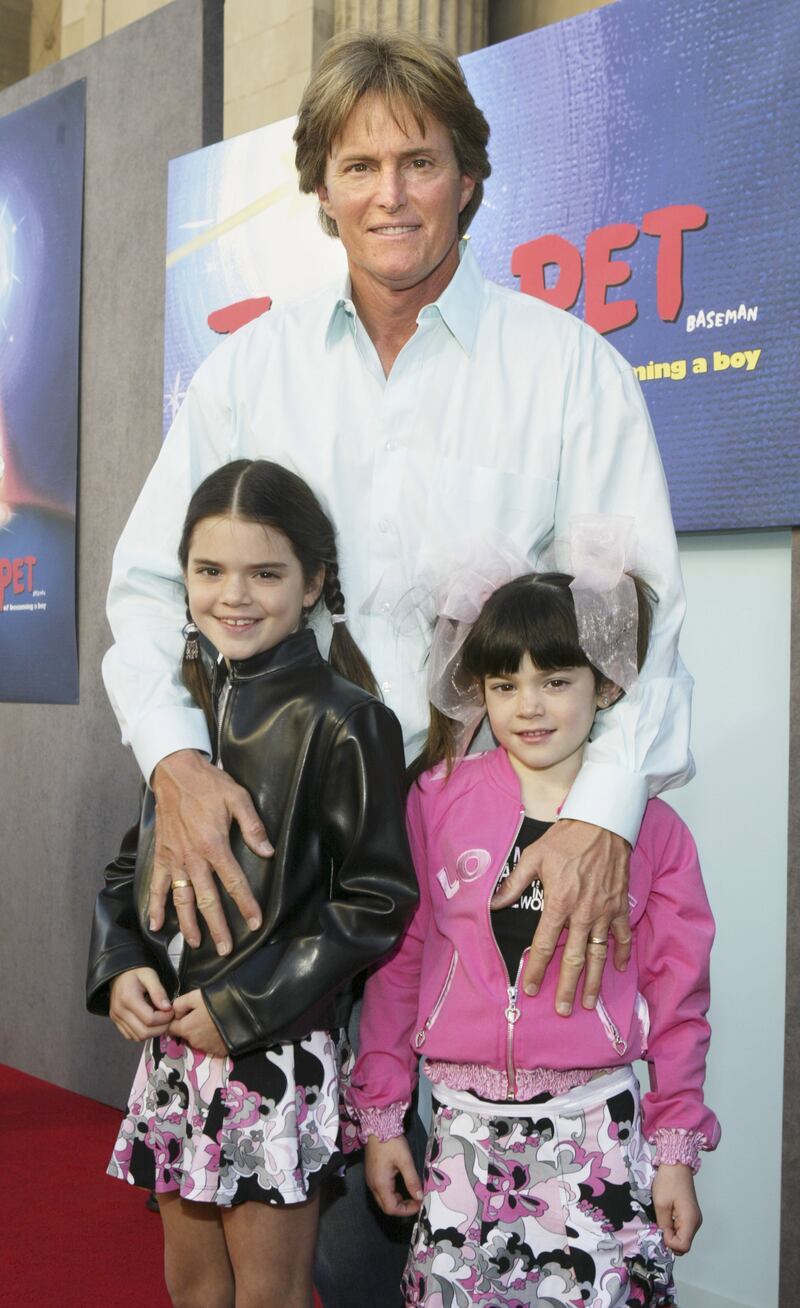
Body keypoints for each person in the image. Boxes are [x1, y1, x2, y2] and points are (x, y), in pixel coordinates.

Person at [102, 29, 693, 1306]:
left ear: (467, 178)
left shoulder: (563, 371)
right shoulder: (246, 373)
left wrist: (598, 817)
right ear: (318, 188)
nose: (388, 193)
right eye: (358, 164)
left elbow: (643, 625)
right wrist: (174, 761)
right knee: (270, 1212)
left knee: (482, 1225)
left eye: (416, 161)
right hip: (295, 856)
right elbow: (149, 593)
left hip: (497, 843)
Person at [348, 542, 719, 1307]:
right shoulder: (437, 800)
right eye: (505, 683)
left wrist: (675, 1148)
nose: (530, 705)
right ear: (479, 691)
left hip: (598, 1138)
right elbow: (402, 963)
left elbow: (678, 997)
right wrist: (382, 1116)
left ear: (606, 684)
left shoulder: (649, 830)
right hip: (461, 1138)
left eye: (555, 680)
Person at [87, 459, 418, 1308]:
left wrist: (242, 1009)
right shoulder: (182, 714)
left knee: (269, 1296)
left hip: (272, 1053)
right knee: (191, 1288)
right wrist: (121, 960)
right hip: (173, 1048)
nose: (233, 595)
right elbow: (137, 862)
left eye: (265, 572)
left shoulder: (348, 719)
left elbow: (379, 899)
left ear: (314, 583)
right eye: (209, 571)